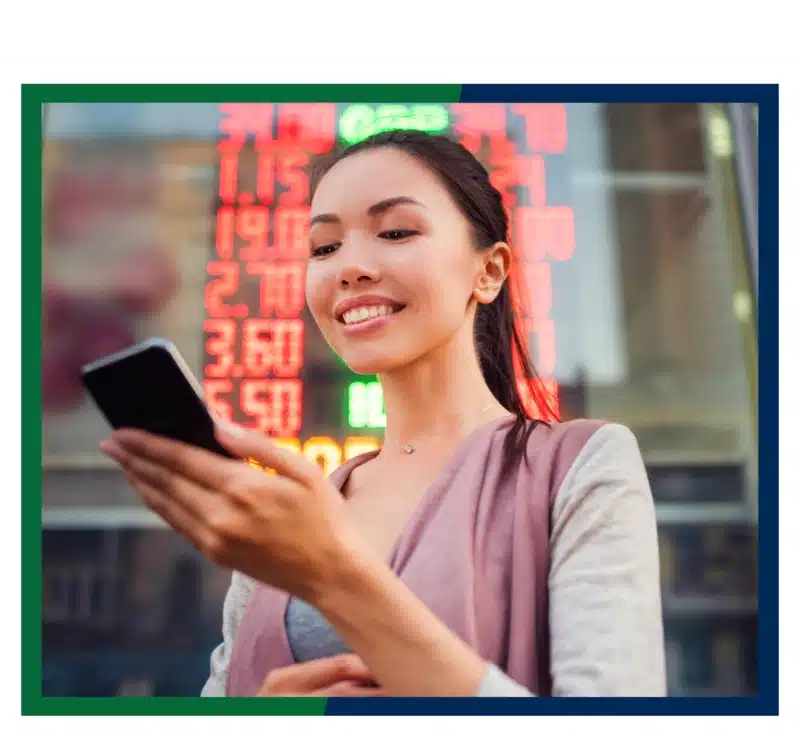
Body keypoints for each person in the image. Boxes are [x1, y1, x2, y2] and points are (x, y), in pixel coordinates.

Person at [100, 130, 666, 698]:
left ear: (489, 271)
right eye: (324, 248)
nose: (350, 268)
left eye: (395, 232)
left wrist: (336, 577)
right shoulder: (293, 514)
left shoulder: (583, 466)